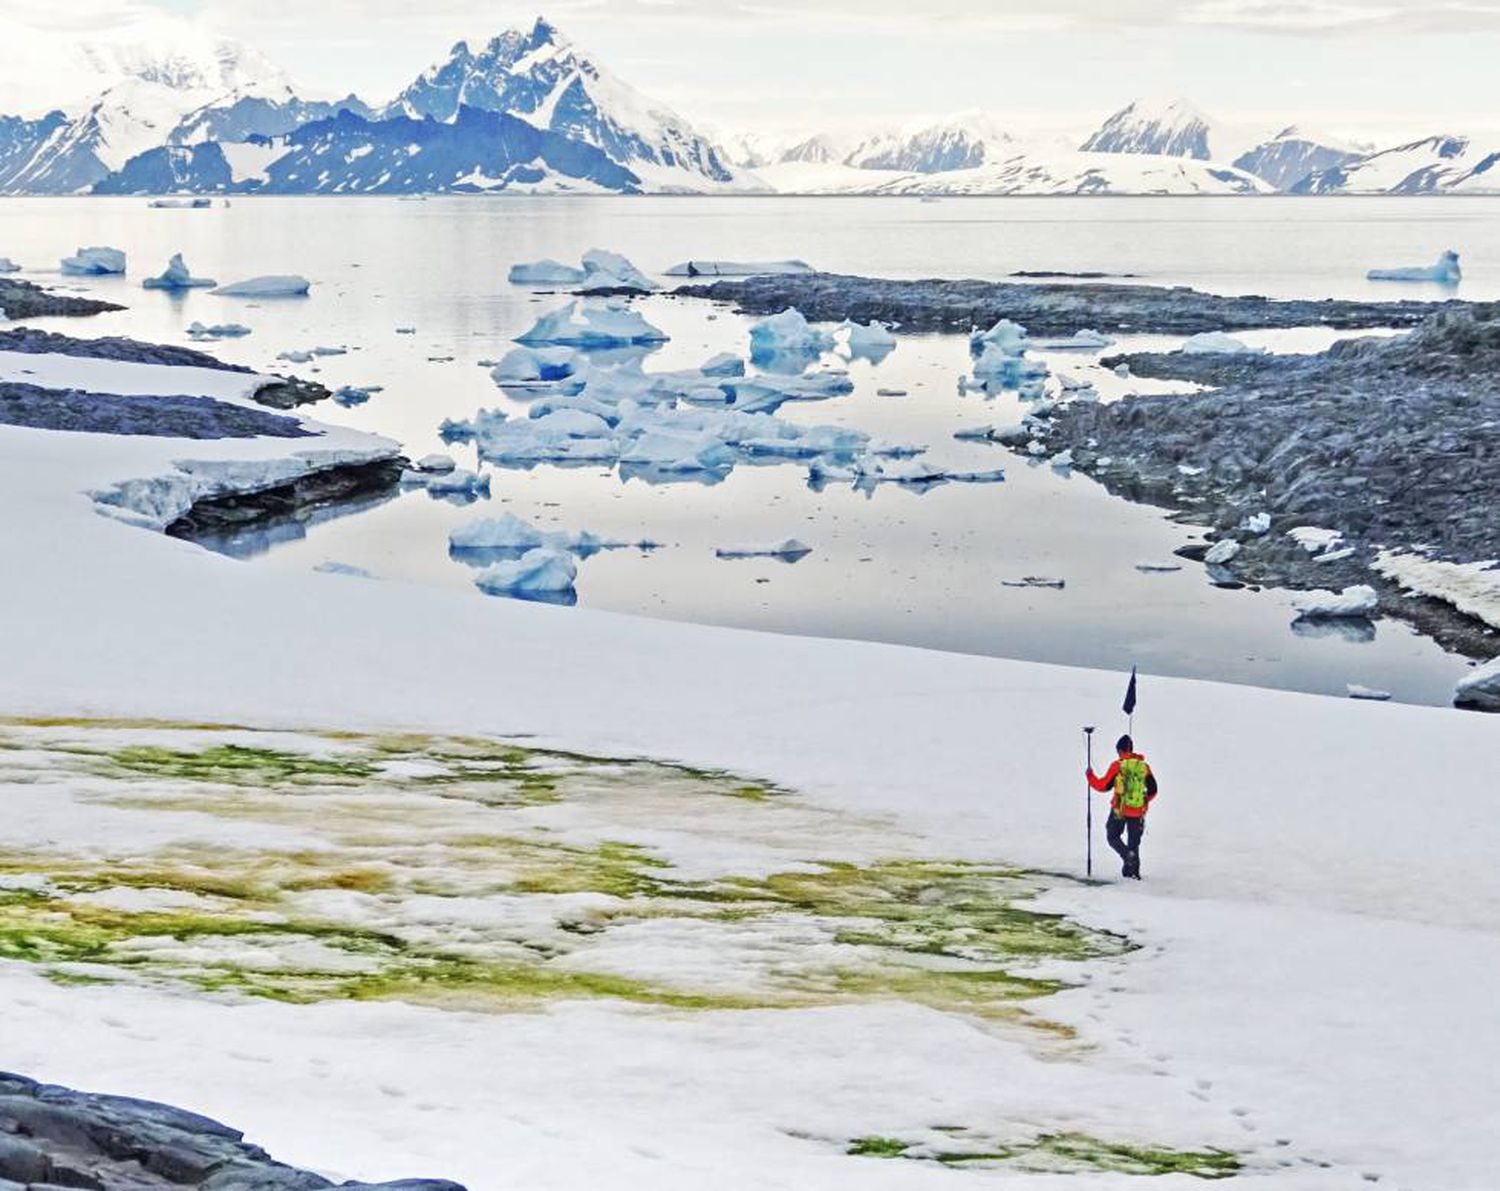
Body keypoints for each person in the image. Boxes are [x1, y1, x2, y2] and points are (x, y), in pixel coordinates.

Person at [1086, 734, 1157, 879]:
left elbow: (1103, 786)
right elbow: (1153, 790)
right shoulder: (1144, 767)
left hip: (1120, 809)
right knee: (1134, 843)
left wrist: (1090, 776)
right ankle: (1133, 875)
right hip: (1138, 812)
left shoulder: (1118, 766)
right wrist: (1143, 802)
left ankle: (1126, 856)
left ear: (1119, 750)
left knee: (1112, 836)